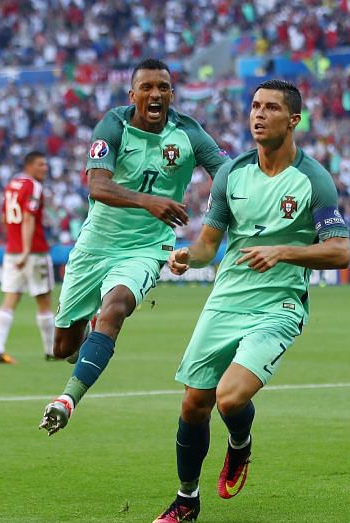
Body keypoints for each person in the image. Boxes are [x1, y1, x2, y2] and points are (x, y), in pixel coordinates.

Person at [151, 80, 350, 523]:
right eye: (255, 106)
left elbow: (340, 252)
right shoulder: (231, 174)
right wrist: (188, 256)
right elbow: (208, 245)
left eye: (271, 108)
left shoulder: (314, 180)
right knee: (192, 404)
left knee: (230, 398)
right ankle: (186, 500)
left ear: (293, 120)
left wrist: (285, 252)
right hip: (225, 300)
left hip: (278, 306)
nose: (259, 115)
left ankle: (239, 444)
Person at [38, 59, 229, 435]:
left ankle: (67, 400)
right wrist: (150, 201)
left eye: (163, 87)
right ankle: (87, 343)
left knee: (116, 307)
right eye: (147, 87)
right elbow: (97, 186)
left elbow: (226, 174)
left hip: (146, 248)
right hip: (95, 246)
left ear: (172, 94)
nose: (156, 94)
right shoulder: (114, 124)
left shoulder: (188, 133)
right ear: (133, 94)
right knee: (63, 347)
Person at [0, 151, 56, 364]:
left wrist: (15, 243)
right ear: (29, 166)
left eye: (45, 164)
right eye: (40, 164)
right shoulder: (34, 186)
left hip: (12, 250)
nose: (45, 168)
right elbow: (28, 218)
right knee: (44, 301)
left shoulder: (12, 185)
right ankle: (51, 350)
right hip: (34, 252)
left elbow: (3, 216)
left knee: (11, 298)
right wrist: (27, 250)